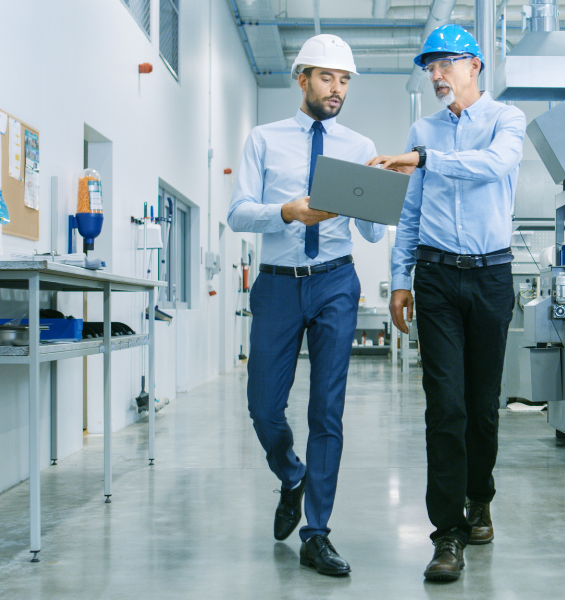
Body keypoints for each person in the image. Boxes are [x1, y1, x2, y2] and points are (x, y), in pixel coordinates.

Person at [368, 24, 526, 582]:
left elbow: (495, 166)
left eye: (445, 64)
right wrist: (399, 277)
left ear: (474, 66)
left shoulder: (506, 120)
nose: (435, 75)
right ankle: (447, 533)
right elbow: (411, 212)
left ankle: (480, 497)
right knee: (446, 407)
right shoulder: (423, 130)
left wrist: (425, 159)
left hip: (491, 277)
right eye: (429, 67)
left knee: (482, 407)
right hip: (435, 277)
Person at [227, 34, 385, 577]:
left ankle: (317, 533)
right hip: (277, 283)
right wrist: (287, 212)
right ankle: (291, 475)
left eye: (344, 81)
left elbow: (368, 232)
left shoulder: (360, 144)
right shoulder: (264, 140)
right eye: (327, 78)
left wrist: (385, 194)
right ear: (302, 79)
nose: (337, 89)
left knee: (327, 411)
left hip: (336, 281)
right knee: (264, 407)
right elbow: (238, 213)